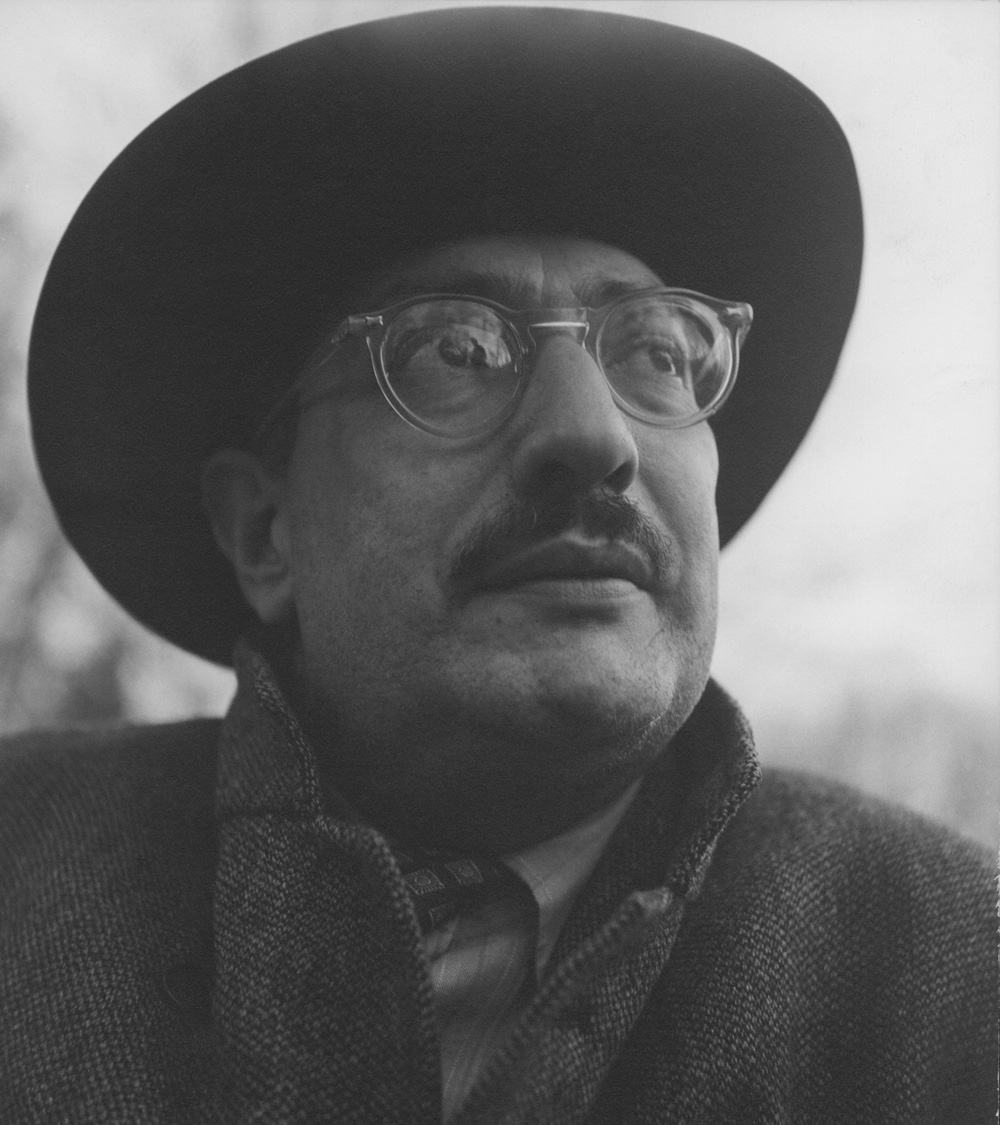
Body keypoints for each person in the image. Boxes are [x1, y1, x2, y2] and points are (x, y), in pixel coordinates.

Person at [1, 8, 994, 1123]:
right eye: (454, 351)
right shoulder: (23, 875)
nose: (595, 436)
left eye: (659, 353)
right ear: (263, 532)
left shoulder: (958, 971)